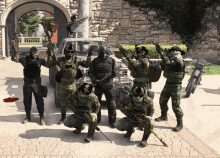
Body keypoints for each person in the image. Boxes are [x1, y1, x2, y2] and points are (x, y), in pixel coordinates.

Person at [46, 44, 93, 124]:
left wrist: (89, 56)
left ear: (73, 52)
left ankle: (78, 118)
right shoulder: (60, 60)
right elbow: (49, 65)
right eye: (68, 51)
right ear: (65, 52)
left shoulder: (77, 60)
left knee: (76, 103)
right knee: (63, 103)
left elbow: (87, 65)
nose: (69, 53)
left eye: (71, 52)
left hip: (73, 86)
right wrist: (49, 55)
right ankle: (63, 118)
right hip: (63, 86)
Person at [11, 47, 48, 125]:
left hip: (36, 82)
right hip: (28, 82)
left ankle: (41, 117)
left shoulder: (39, 59)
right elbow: (14, 59)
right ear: (31, 52)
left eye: (35, 51)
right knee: (27, 101)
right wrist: (15, 52)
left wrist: (51, 55)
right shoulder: (25, 59)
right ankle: (28, 116)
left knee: (39, 101)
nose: (34, 53)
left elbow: (48, 65)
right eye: (34, 51)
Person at [155, 44, 185, 132]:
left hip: (176, 86)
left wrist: (161, 53)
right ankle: (164, 116)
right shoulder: (171, 60)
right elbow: (166, 65)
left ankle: (180, 123)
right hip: (168, 84)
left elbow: (169, 63)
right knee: (162, 100)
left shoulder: (180, 61)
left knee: (175, 106)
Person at [88, 46, 117, 128]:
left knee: (111, 104)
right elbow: (90, 72)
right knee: (97, 104)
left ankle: (112, 121)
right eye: (101, 52)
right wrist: (94, 79)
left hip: (108, 86)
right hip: (98, 86)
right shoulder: (95, 61)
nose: (103, 54)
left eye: (104, 52)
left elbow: (115, 71)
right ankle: (97, 120)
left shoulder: (112, 61)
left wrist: (115, 73)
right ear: (98, 53)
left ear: (107, 52)